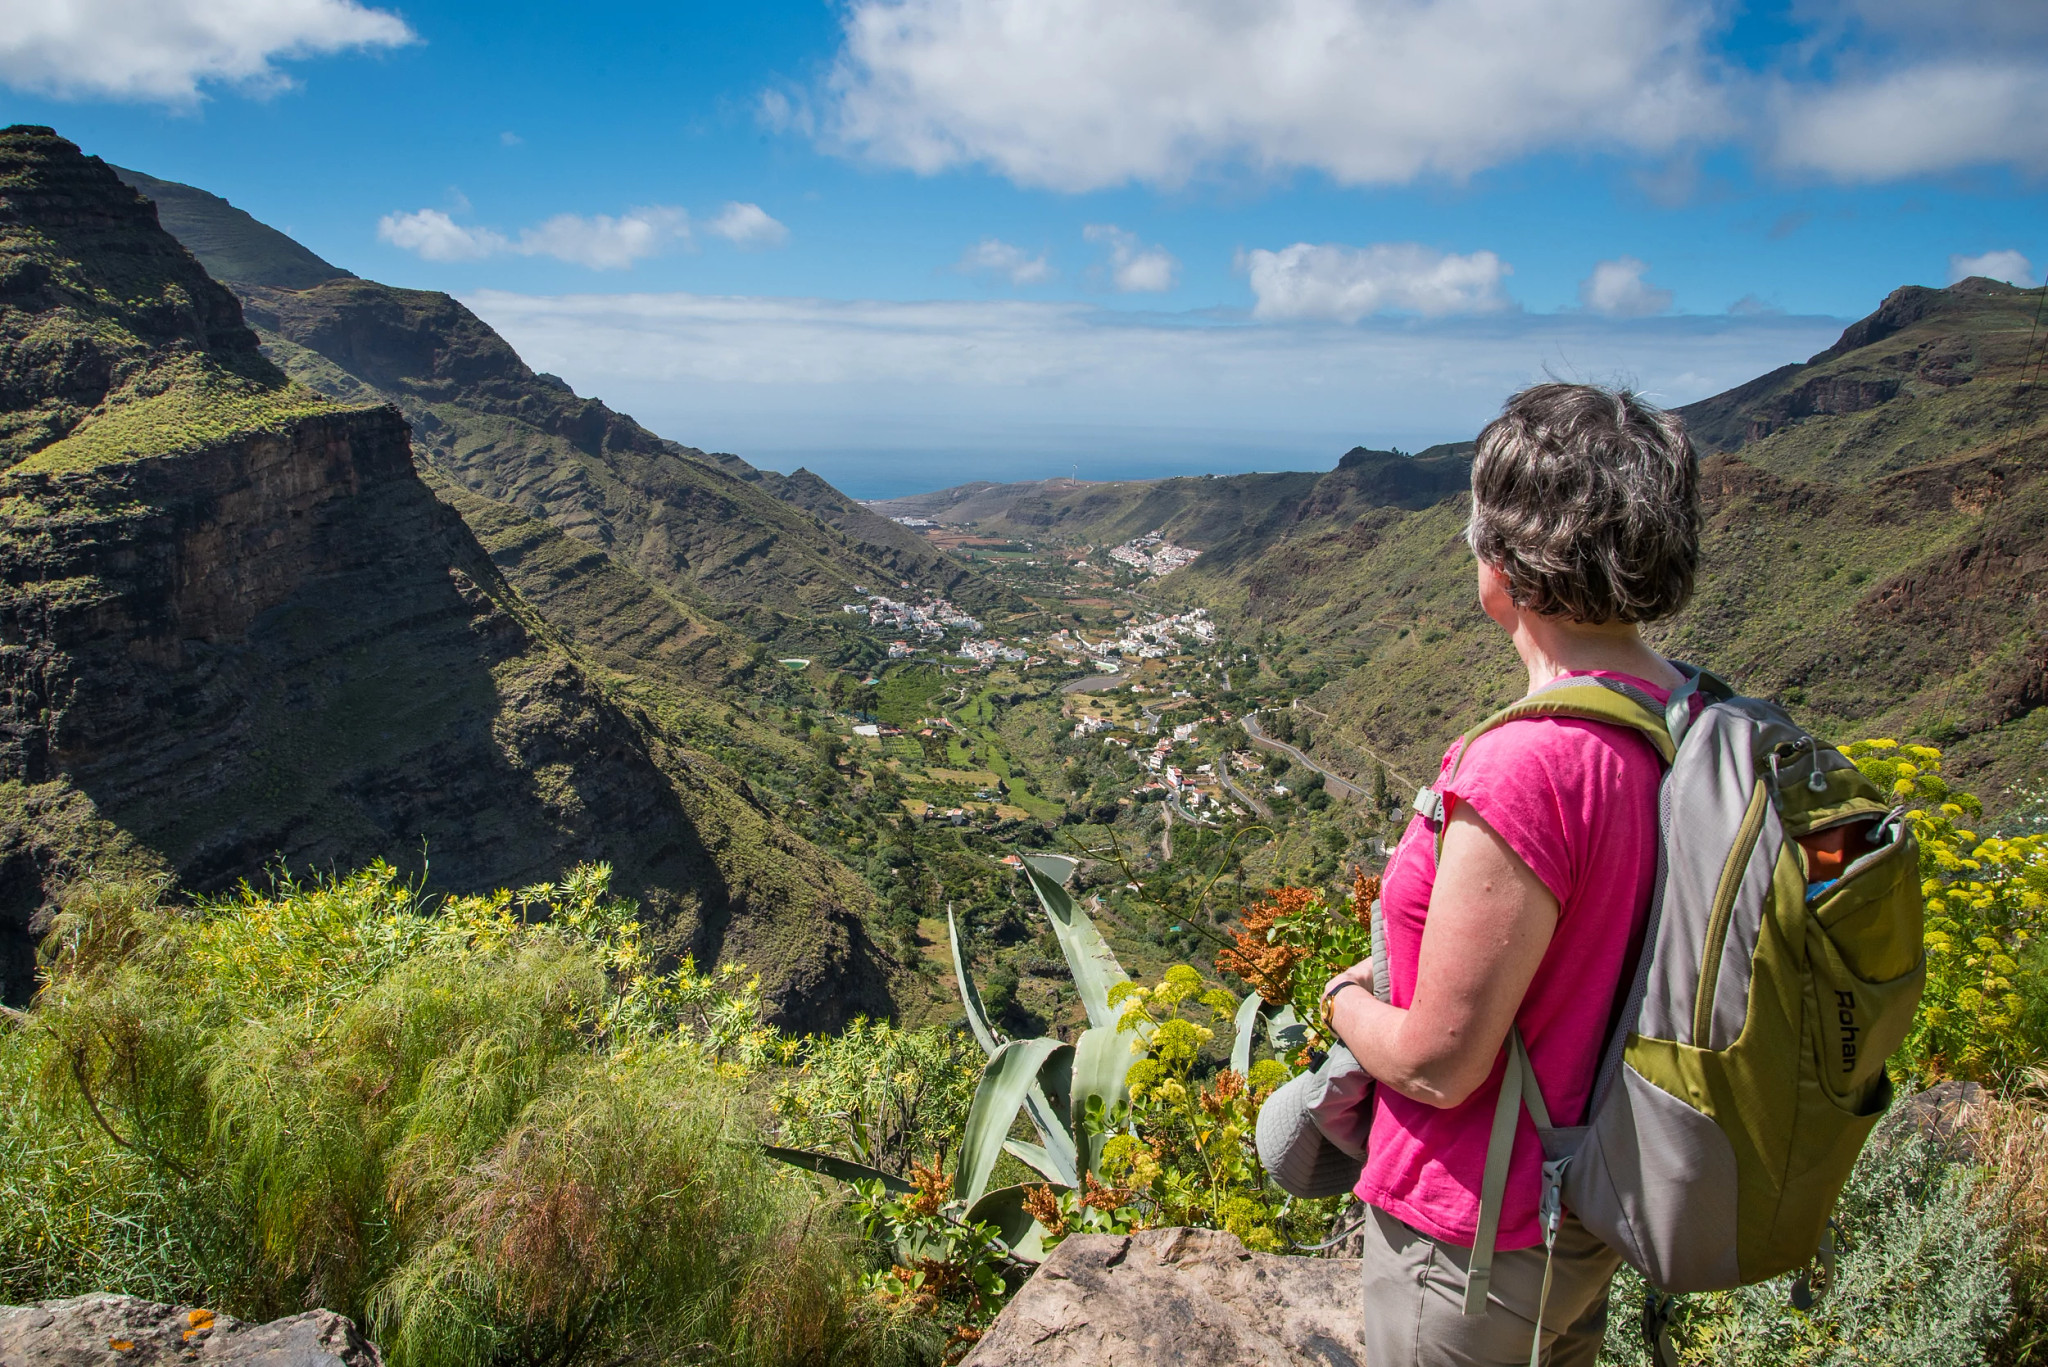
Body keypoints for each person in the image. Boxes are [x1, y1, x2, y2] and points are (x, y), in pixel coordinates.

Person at [1322, 382, 1702, 1367]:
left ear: (1507, 567)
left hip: (1473, 1232)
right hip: (1585, 1199)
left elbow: (1438, 1063)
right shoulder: (1688, 722)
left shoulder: (1527, 766)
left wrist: (1342, 1007)